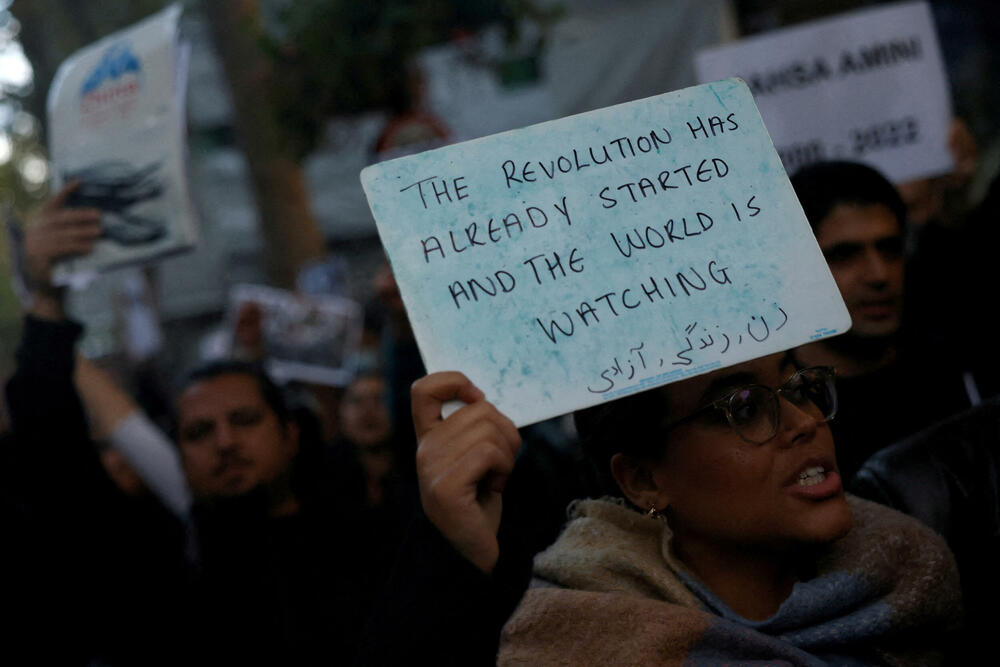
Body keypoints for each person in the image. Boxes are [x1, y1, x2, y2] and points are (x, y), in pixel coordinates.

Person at [790, 161, 979, 482]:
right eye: (844, 255)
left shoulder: (957, 372)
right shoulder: (781, 412)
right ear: (796, 265)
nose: (879, 275)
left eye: (890, 249)